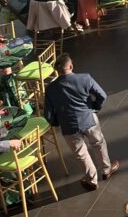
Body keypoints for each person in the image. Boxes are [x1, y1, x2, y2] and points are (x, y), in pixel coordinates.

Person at [44, 53, 119, 191]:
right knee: (98, 143)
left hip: (68, 125)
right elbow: (102, 95)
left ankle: (91, 180)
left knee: (81, 154)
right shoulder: (85, 78)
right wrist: (95, 107)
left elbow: (48, 114)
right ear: (71, 66)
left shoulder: (50, 89)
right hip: (89, 118)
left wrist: (56, 122)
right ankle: (106, 170)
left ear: (57, 70)